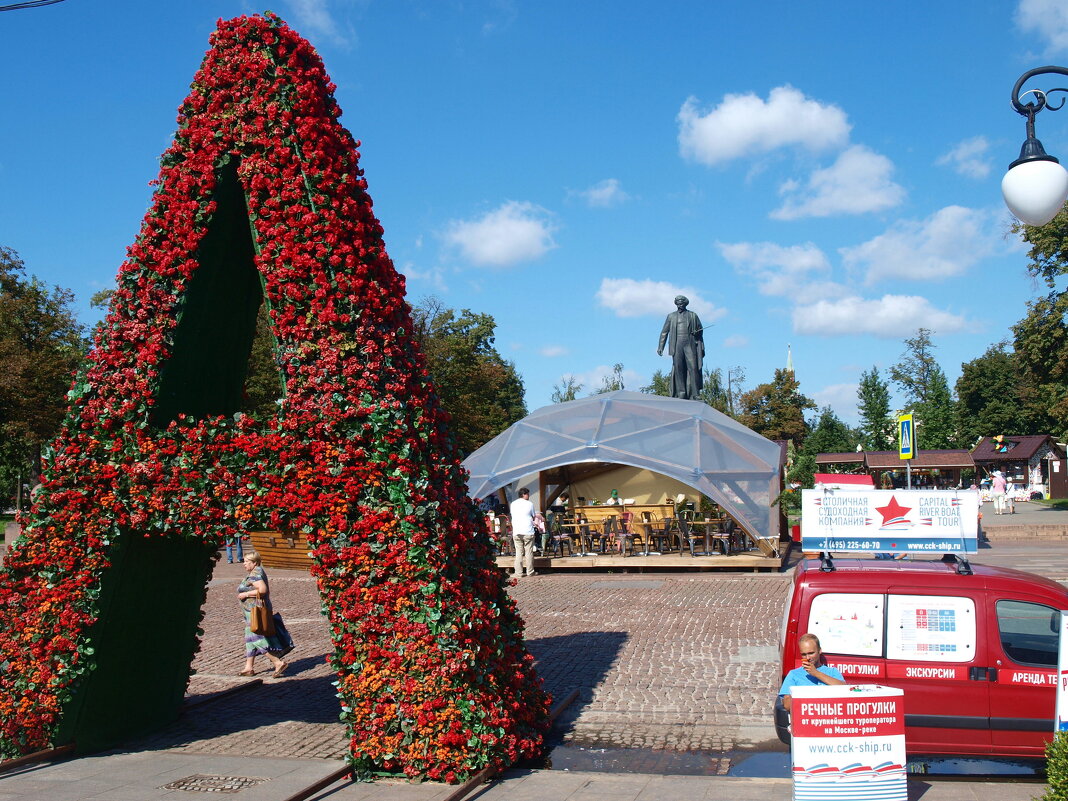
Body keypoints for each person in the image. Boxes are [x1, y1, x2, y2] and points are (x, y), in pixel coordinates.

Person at [237, 552, 294, 677]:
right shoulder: (257, 571)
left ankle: (277, 662)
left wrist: (245, 594)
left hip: (255, 613)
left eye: (247, 561)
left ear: (254, 563)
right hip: (251, 612)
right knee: (249, 640)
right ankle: (249, 667)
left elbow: (262, 590)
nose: (244, 564)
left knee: (256, 638)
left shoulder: (255, 574)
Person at [778, 633, 845, 712]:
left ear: (819, 650)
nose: (807, 658)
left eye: (811, 653)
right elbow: (787, 705)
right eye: (803, 654)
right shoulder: (794, 674)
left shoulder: (832, 671)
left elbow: (844, 689)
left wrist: (816, 673)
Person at [657, 295, 705, 400]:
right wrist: (661, 346)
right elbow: (664, 332)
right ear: (676, 303)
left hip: (690, 344)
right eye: (678, 302)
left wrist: (697, 332)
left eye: (682, 302)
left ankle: (695, 394)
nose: (680, 304)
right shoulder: (671, 316)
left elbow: (700, 329)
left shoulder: (693, 315)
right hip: (677, 344)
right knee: (679, 368)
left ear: (685, 303)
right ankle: (681, 392)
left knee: (693, 368)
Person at [509, 488, 537, 577]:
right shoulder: (530, 504)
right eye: (528, 494)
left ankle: (518, 572)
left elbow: (512, 515)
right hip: (528, 530)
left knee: (518, 552)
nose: (529, 496)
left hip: (517, 531)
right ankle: (530, 572)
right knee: (529, 552)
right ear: (524, 494)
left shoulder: (513, 504)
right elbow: (533, 516)